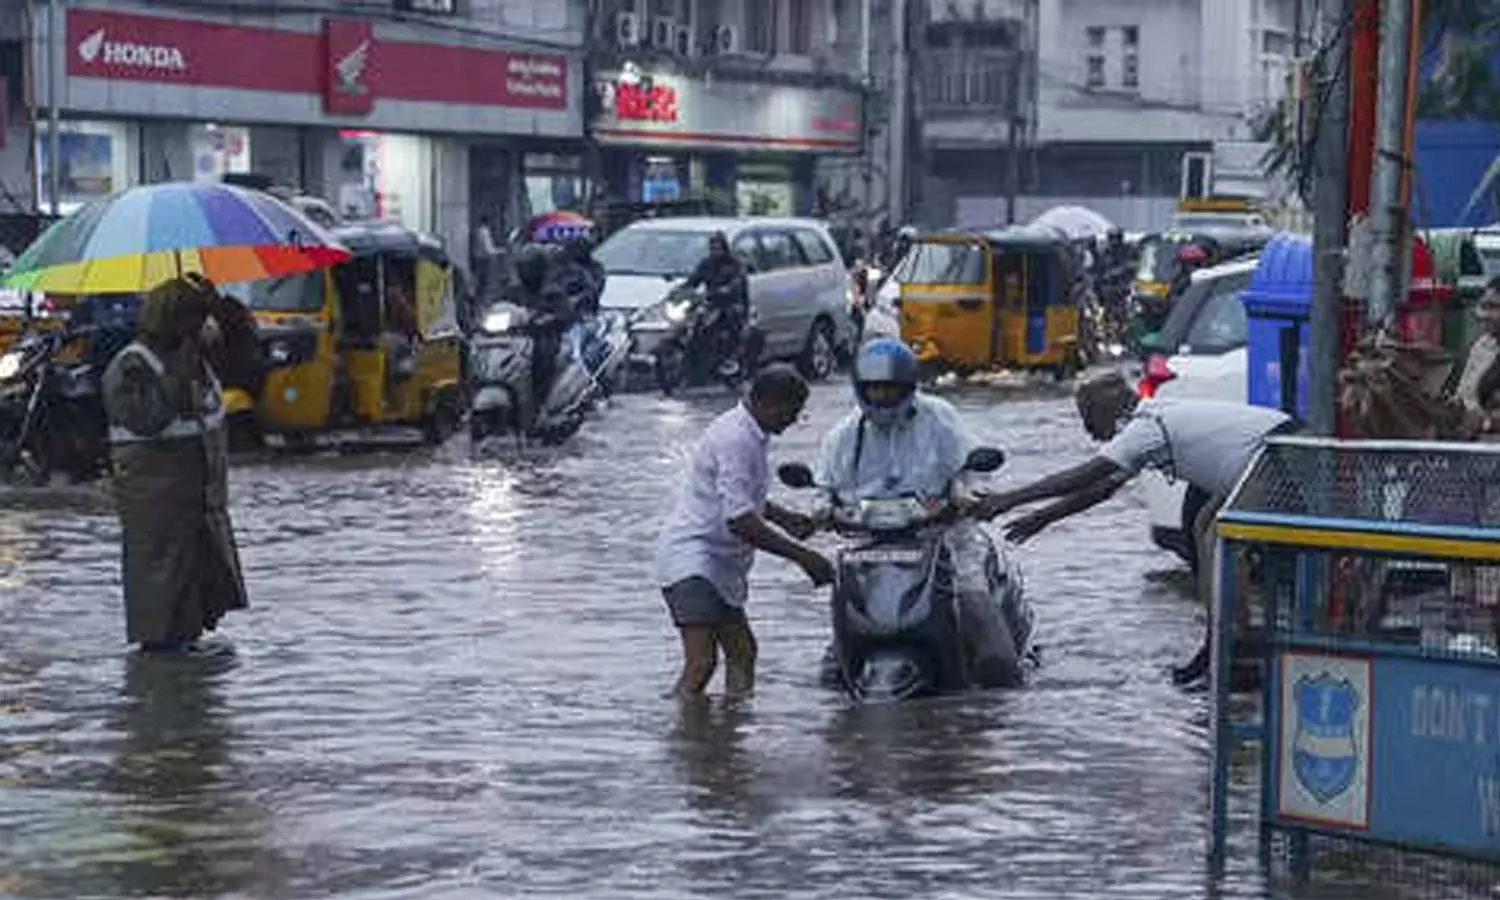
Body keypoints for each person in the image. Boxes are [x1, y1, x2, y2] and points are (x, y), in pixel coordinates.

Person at [977, 372, 1296, 685]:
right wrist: (1042, 517)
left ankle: (1235, 652)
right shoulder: (1152, 418)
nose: (1090, 434)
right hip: (1263, 455)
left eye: (1088, 420)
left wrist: (1008, 500)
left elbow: (1086, 475)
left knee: (1219, 541)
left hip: (1279, 457)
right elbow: (1102, 489)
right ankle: (1216, 645)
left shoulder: (1144, 428)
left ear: (1105, 410)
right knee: (1203, 528)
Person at [814, 337, 1017, 682]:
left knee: (989, 641)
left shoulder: (939, 418)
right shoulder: (844, 434)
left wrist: (964, 492)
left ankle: (1000, 699)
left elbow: (971, 467)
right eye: (875, 390)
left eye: (891, 389)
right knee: (832, 671)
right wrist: (820, 507)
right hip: (869, 545)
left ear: (909, 387)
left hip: (945, 537)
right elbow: (825, 483)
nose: (883, 397)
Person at [656, 365, 836, 699]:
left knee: (742, 653)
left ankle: (728, 736)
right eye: (792, 412)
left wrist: (784, 517)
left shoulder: (750, 433)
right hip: (693, 559)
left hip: (717, 564)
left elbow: (740, 495)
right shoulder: (736, 438)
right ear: (769, 403)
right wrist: (803, 557)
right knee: (701, 663)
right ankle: (684, 741)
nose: (793, 421)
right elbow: (739, 519)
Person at [101, 274, 257, 655]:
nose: (201, 328)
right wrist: (179, 372)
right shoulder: (133, 365)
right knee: (162, 577)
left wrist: (224, 310)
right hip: (156, 497)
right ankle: (162, 650)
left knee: (198, 573)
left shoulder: (197, 360)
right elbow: (148, 419)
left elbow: (245, 358)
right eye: (194, 318)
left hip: (196, 494)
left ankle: (185, 644)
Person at [684, 231, 751, 374]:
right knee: (696, 322)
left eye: (717, 247)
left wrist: (728, 289)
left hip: (732, 302)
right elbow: (694, 280)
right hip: (711, 302)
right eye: (712, 247)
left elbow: (739, 281)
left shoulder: (735, 264)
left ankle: (731, 357)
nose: (714, 251)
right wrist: (682, 291)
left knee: (731, 318)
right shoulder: (706, 263)